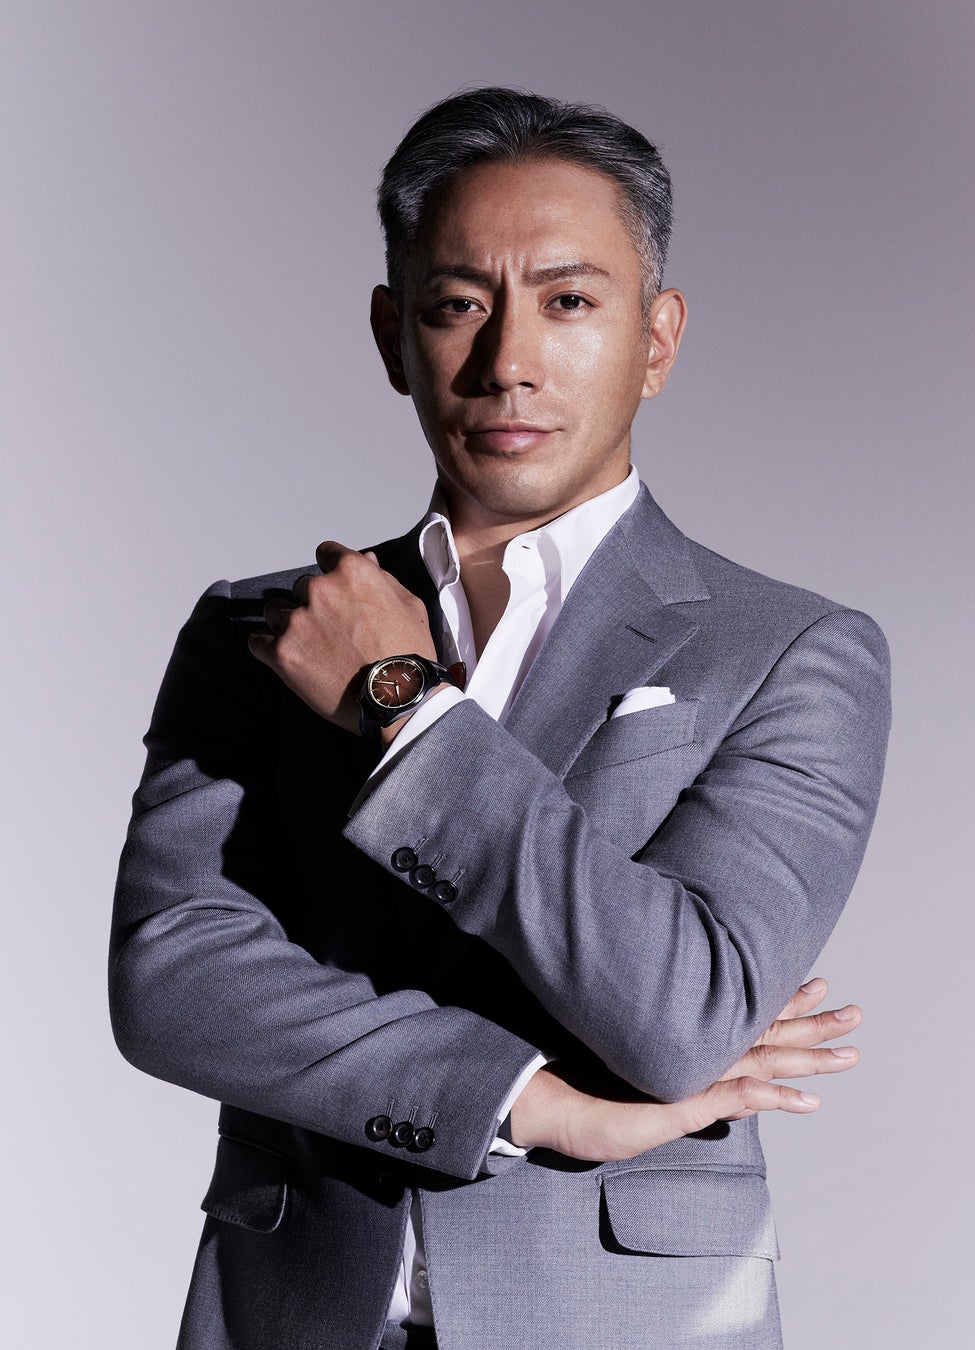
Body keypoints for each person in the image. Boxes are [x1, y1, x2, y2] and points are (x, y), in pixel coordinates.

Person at [110, 88, 890, 1350]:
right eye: (458, 304)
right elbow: (173, 980)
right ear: (392, 334)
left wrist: (406, 710)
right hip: (290, 1310)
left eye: (569, 302)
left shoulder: (793, 651)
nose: (508, 361)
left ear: (657, 338)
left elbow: (681, 1017)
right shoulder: (262, 631)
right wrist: (526, 1099)